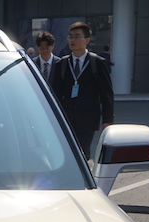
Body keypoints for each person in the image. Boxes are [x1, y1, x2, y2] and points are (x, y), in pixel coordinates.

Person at [48, 21, 114, 159]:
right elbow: (54, 94)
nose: (73, 40)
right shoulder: (62, 64)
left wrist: (107, 120)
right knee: (66, 152)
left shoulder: (97, 63)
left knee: (83, 153)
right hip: (66, 118)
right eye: (70, 36)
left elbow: (106, 93)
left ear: (87, 40)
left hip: (88, 118)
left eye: (77, 36)